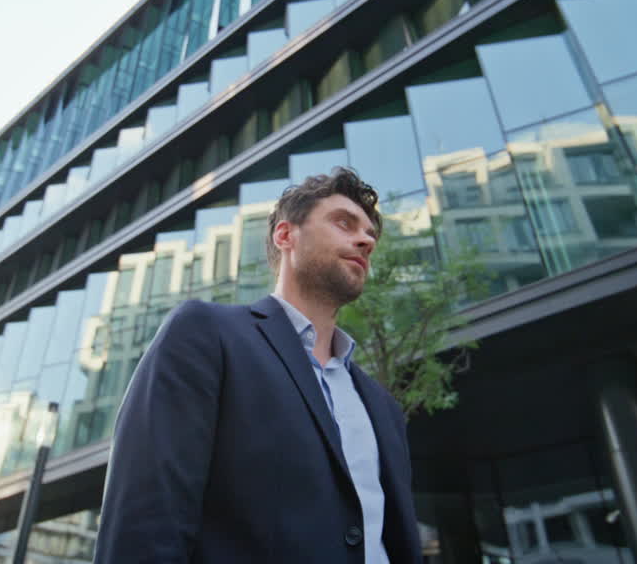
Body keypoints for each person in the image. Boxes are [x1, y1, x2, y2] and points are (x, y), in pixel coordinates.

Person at [93, 167, 422, 564]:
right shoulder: (206, 335)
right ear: (285, 236)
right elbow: (146, 520)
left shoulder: (383, 408)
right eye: (343, 223)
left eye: (370, 234)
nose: (366, 241)